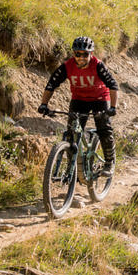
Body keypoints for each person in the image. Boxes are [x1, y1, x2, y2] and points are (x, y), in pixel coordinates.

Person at [38, 36, 119, 176]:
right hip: (79, 100)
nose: (81, 57)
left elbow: (113, 85)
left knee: (104, 129)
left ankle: (109, 163)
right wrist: (44, 104)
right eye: (78, 54)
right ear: (73, 53)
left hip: (99, 99)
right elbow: (51, 85)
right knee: (71, 134)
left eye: (85, 54)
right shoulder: (67, 66)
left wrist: (113, 107)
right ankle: (72, 169)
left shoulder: (98, 65)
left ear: (91, 54)